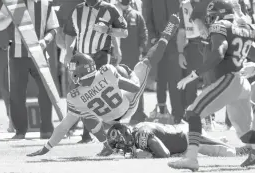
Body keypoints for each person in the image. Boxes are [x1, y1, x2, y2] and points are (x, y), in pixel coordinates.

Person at [26, 14, 180, 157]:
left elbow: (63, 126)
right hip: (127, 105)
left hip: (110, 118)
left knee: (86, 117)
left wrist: (46, 148)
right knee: (144, 63)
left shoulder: (75, 97)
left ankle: (107, 145)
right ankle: (166, 36)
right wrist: (129, 75)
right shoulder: (106, 71)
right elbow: (133, 87)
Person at [168, 0, 255, 171]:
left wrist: (194, 75)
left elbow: (219, 53)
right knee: (245, 133)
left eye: (212, 16)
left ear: (220, 14)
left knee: (193, 113)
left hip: (228, 80)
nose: (210, 21)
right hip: (241, 83)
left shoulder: (221, 26)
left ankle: (191, 159)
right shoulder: (246, 29)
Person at [63, 0, 128, 143]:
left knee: (93, 93)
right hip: (79, 57)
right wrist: (68, 51)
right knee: (75, 92)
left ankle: (88, 134)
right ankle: (73, 128)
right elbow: (69, 32)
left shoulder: (110, 9)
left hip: (99, 56)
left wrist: (109, 31)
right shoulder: (77, 9)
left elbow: (124, 32)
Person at [0, 0, 59, 139]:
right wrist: (12, 15)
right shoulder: (12, 3)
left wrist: (45, 41)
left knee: (45, 92)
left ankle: (47, 129)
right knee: (17, 94)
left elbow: (53, 29)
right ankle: (20, 131)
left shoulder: (45, 4)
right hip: (17, 55)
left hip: (40, 54)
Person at [106, 122, 250, 158]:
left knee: (230, 153)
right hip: (182, 137)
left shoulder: (141, 135)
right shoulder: (137, 131)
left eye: (119, 142)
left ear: (126, 133)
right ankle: (219, 139)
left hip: (189, 138)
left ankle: (245, 149)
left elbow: (165, 154)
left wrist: (145, 155)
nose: (121, 147)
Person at [142, 0, 183, 124]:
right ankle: (162, 111)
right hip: (159, 42)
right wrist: (154, 37)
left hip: (175, 44)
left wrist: (179, 40)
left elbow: (181, 15)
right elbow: (147, 19)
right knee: (161, 79)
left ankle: (177, 114)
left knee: (175, 79)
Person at [115, 0, 148, 125]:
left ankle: (139, 114)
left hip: (133, 57)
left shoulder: (136, 15)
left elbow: (143, 34)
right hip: (117, 58)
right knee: (116, 87)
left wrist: (141, 50)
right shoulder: (112, 12)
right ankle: (116, 117)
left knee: (136, 85)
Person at [0, 1, 14, 132]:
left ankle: (15, 121)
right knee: (3, 86)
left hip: (9, 47)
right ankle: (12, 120)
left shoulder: (10, 2)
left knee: (11, 86)